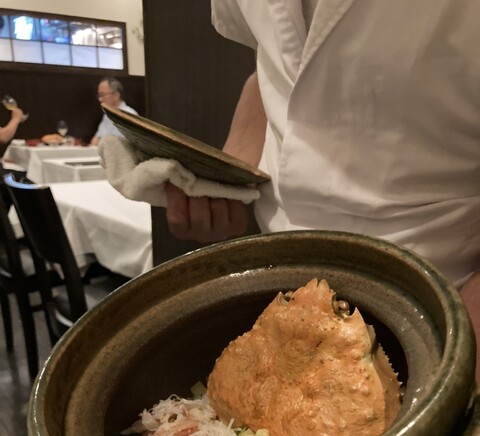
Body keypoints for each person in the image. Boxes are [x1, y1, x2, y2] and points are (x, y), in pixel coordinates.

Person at [164, 0, 480, 378]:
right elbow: (274, 58)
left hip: (437, 310)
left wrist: (462, 359)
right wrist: (232, 169)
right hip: (273, 285)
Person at [90, 77, 138, 145]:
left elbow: (123, 144)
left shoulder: (129, 115)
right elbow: (96, 140)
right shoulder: (107, 115)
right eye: (99, 95)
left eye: (102, 95)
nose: (100, 99)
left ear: (116, 95)